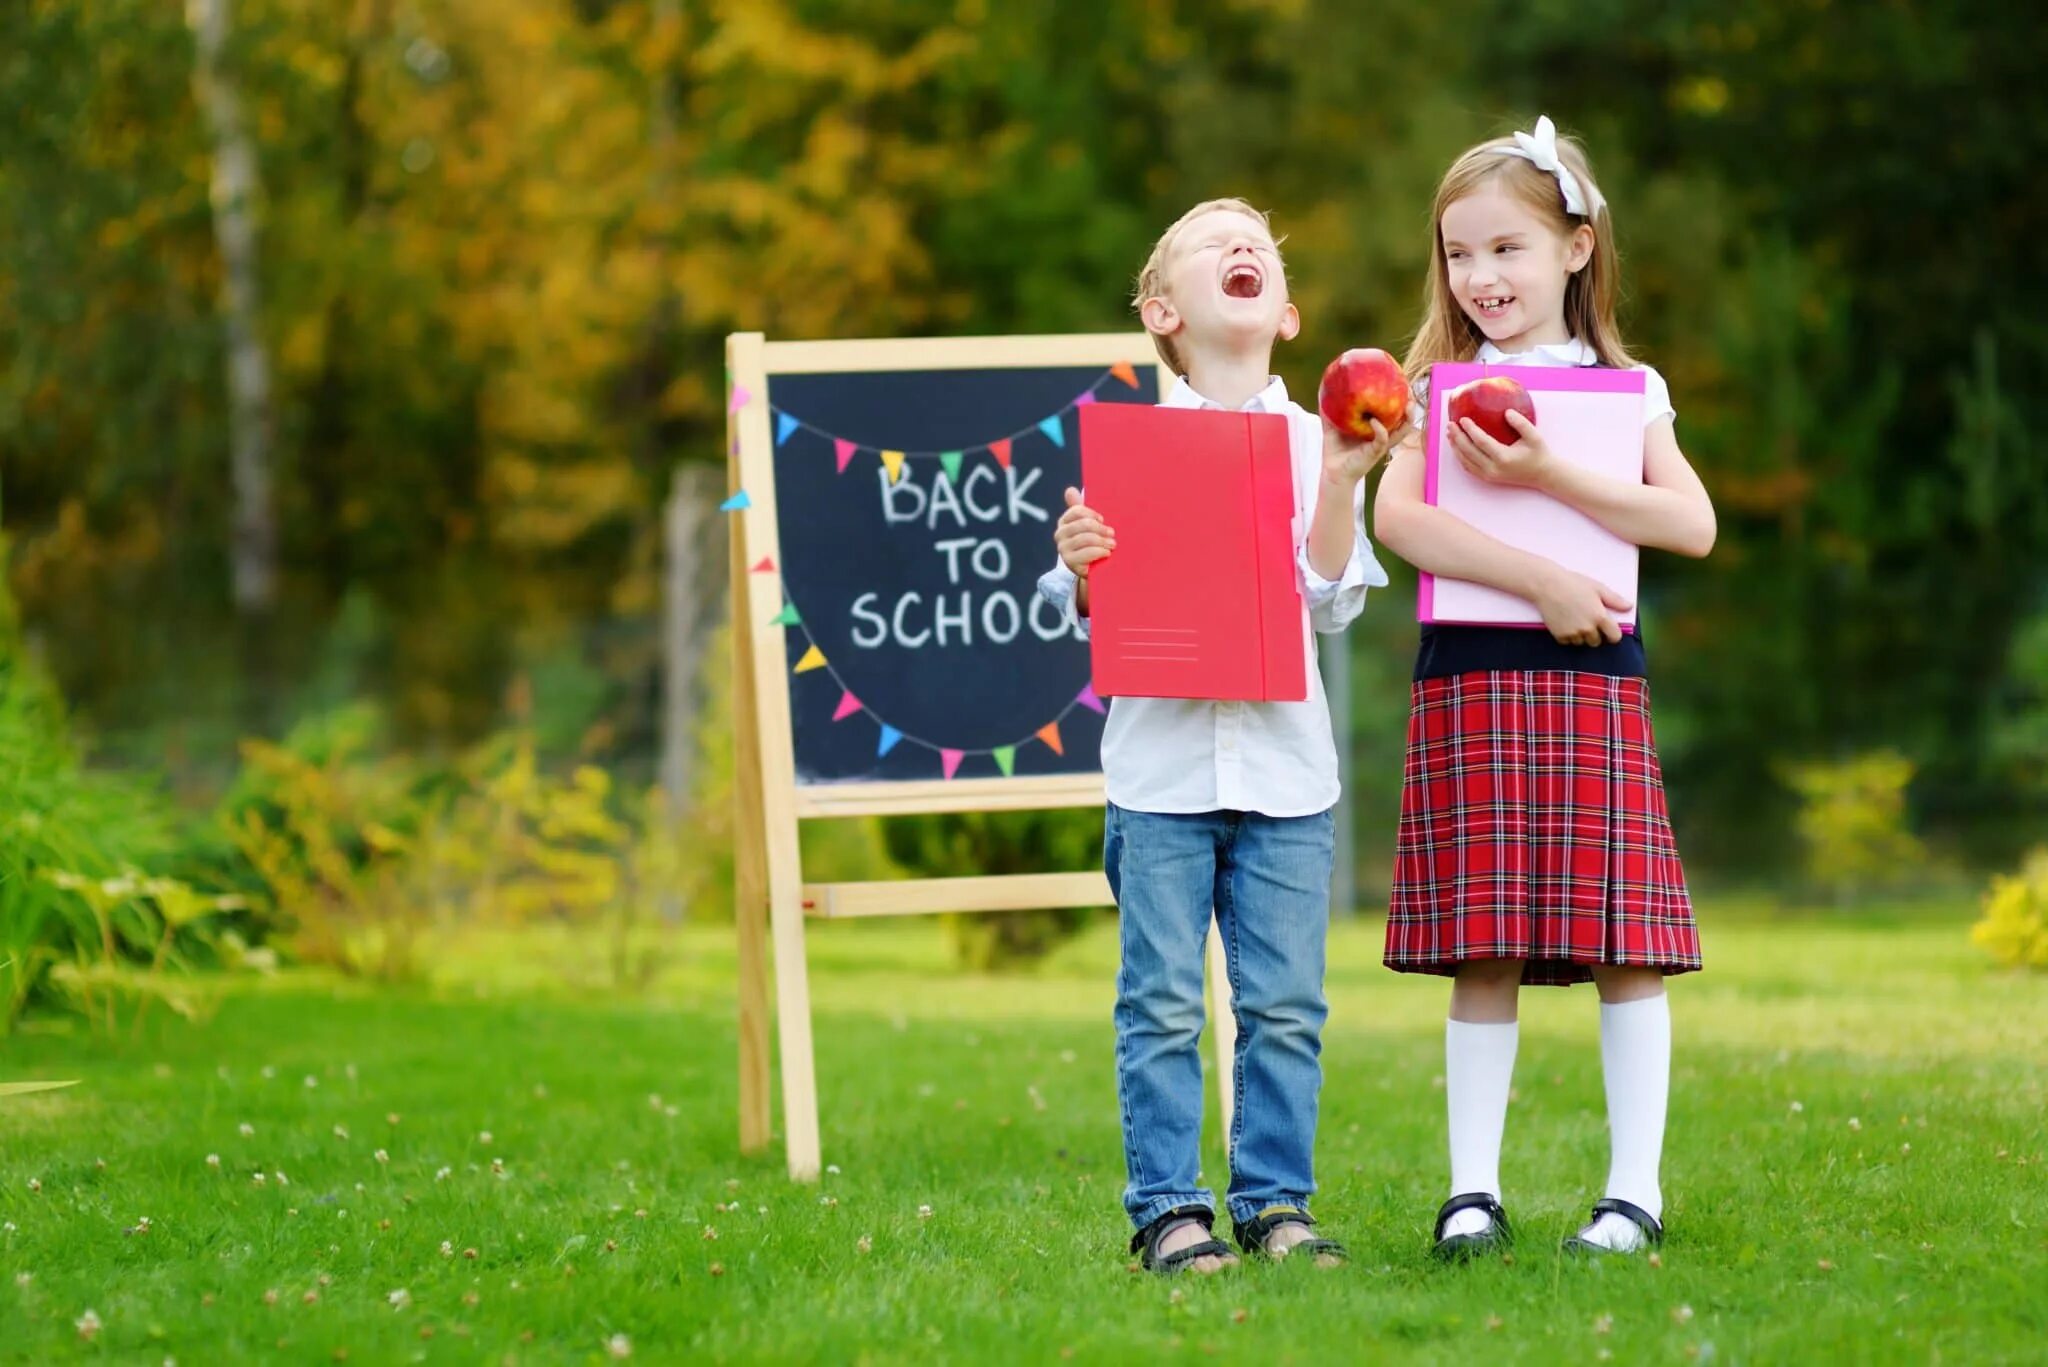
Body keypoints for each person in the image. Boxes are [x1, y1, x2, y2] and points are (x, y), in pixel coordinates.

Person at [1372, 116, 1717, 1260]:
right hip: (1468, 677)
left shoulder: (1626, 389)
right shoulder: (1431, 382)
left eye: (1505, 249)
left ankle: (1633, 1194)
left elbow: (1690, 521)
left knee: (1625, 939)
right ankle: (1470, 1192)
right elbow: (1399, 519)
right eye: (1458, 254)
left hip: (1592, 683)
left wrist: (1547, 472)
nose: (1479, 277)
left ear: (1574, 246)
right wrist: (1539, 576)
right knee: (1483, 943)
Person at [1039, 197, 1403, 1274]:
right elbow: (1081, 597)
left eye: (1259, 244)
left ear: (1284, 312)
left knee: (1282, 1005)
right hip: (1158, 774)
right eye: (1212, 241)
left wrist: (1341, 479)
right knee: (1159, 1000)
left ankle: (1274, 1204)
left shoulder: (1314, 440)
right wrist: (1079, 557)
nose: (1243, 246)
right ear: (1162, 309)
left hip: (1287, 775)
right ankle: (1167, 1210)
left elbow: (1331, 599)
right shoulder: (1130, 446)